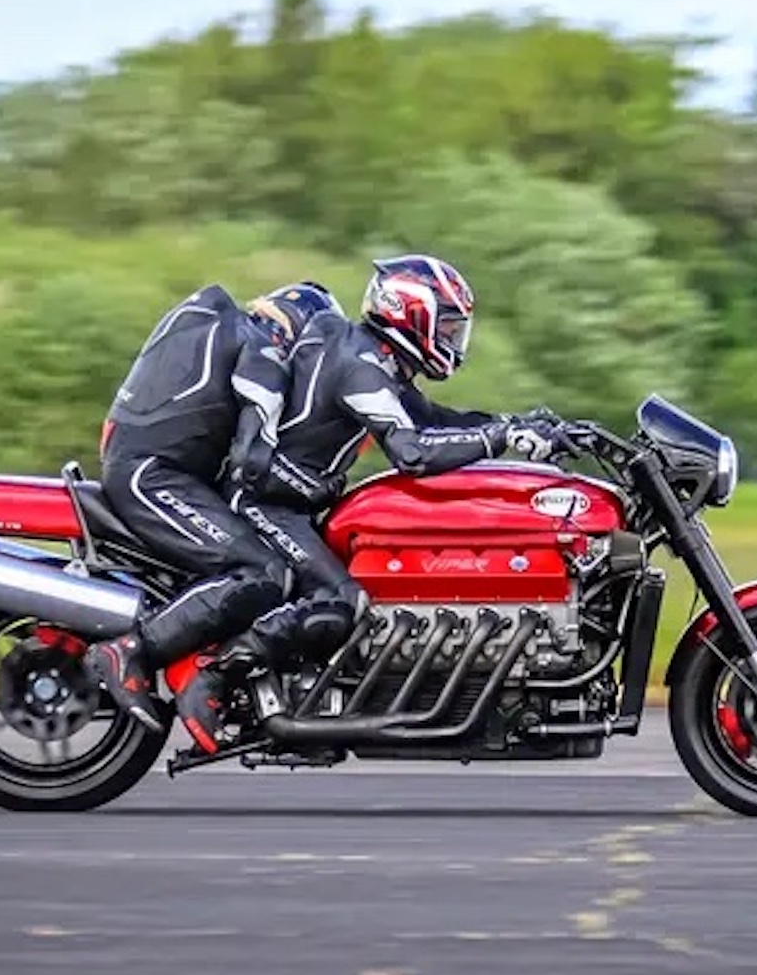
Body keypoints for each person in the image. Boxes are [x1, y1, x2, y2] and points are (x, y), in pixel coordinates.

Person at [167, 254, 564, 749]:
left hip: (293, 504)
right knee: (343, 600)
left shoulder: (380, 365)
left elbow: (438, 420)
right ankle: (214, 673)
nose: (453, 339)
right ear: (411, 314)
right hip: (265, 503)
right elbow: (412, 452)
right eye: (449, 325)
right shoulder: (360, 365)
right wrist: (502, 437)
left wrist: (521, 423)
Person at [81, 279, 344, 739]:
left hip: (153, 468)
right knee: (263, 572)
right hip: (153, 478)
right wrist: (321, 490)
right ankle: (129, 650)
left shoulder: (224, 325)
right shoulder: (263, 352)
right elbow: (250, 464)